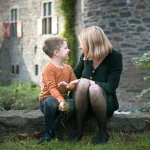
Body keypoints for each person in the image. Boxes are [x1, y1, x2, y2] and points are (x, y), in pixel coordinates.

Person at [69, 26, 123, 145]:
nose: (80, 46)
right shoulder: (85, 56)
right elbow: (73, 76)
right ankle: (78, 129)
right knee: (82, 82)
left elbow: (111, 86)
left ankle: (103, 132)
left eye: (83, 43)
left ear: (92, 43)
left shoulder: (114, 57)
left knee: (94, 88)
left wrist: (92, 83)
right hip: (82, 102)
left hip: (104, 102)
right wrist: (52, 78)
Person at [38, 37, 77, 144]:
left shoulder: (68, 68)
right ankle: (47, 132)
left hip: (62, 102)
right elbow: (52, 88)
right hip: (47, 102)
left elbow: (73, 84)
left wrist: (67, 86)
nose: (68, 50)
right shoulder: (48, 68)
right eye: (65, 48)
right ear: (56, 52)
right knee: (51, 102)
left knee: (72, 103)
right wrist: (61, 101)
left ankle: (57, 129)